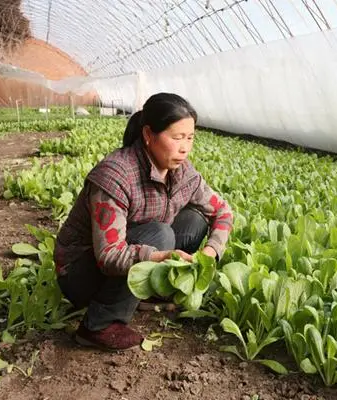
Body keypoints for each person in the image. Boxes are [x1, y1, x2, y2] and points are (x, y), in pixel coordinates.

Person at [54, 93, 233, 351]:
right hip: (79, 272)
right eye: (176, 138)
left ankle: (147, 291)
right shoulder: (116, 175)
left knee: (195, 220)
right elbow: (108, 255)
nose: (185, 148)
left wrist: (210, 251)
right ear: (148, 135)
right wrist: (160, 257)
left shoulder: (183, 172)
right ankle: (98, 325)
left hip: (132, 250)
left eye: (190, 138)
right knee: (160, 235)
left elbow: (223, 212)